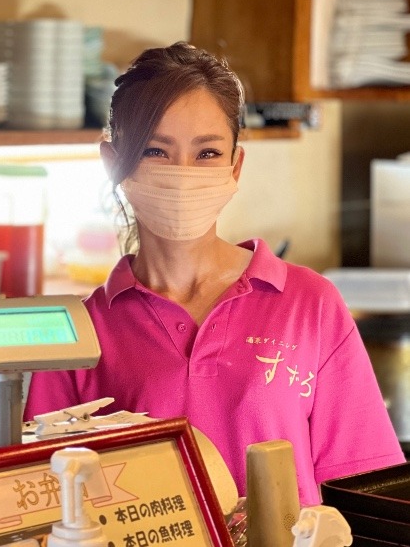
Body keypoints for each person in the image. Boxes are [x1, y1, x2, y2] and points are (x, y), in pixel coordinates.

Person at [24, 42, 404, 507]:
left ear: (235, 164)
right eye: (155, 150)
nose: (183, 173)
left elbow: (364, 489)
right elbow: (44, 504)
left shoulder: (309, 302)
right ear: (112, 162)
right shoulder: (78, 332)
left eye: (206, 153)